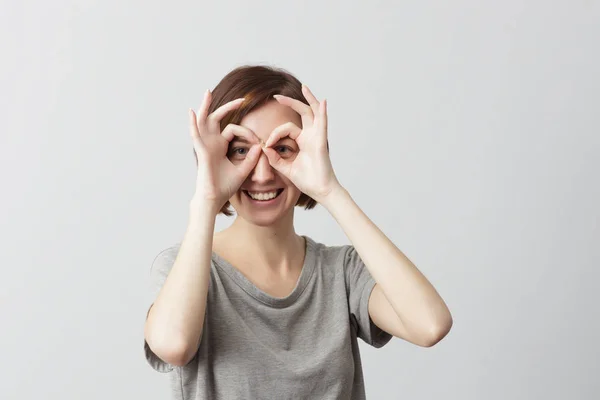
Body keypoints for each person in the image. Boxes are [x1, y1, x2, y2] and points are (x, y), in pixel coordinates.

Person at [143, 65, 453, 399]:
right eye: (240, 150)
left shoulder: (342, 272)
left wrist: (330, 190)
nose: (262, 174)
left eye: (283, 148)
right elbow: (173, 346)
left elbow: (430, 325)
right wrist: (206, 198)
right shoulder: (184, 267)